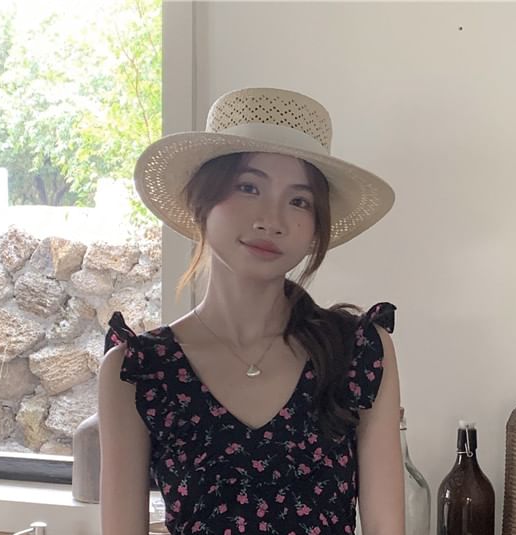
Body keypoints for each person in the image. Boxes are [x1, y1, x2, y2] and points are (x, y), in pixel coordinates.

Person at [98, 87, 403, 535]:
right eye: (248, 187)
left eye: (299, 200)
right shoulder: (139, 371)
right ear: (201, 200)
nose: (271, 220)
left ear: (315, 226)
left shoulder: (359, 352)